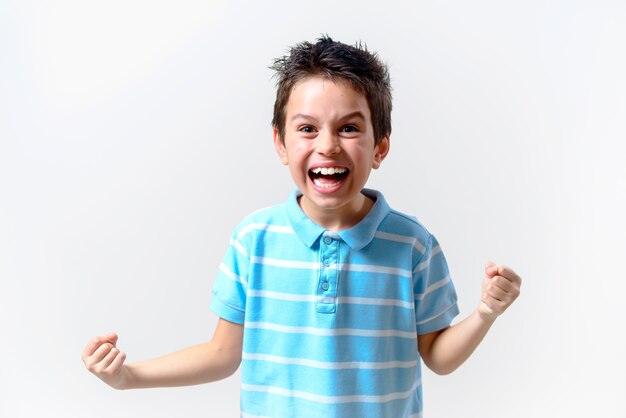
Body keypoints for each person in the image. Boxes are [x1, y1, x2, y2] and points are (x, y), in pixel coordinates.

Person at [82, 36, 522, 417]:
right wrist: (128, 377)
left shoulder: (411, 244)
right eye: (307, 129)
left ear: (379, 148)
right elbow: (221, 354)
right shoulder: (254, 240)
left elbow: (439, 358)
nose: (327, 145)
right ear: (281, 143)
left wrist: (485, 314)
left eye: (349, 128)